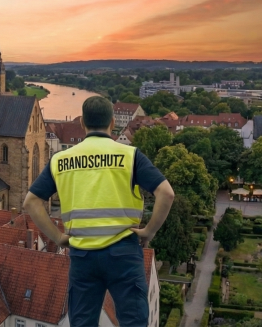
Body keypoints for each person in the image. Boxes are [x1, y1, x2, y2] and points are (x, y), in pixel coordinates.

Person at [23, 96, 175, 327]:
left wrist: (58, 238)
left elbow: (31, 202)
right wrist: (149, 231)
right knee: (134, 322)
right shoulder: (130, 156)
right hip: (124, 253)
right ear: (112, 123)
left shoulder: (61, 159)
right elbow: (166, 193)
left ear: (83, 123)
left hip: (83, 256)